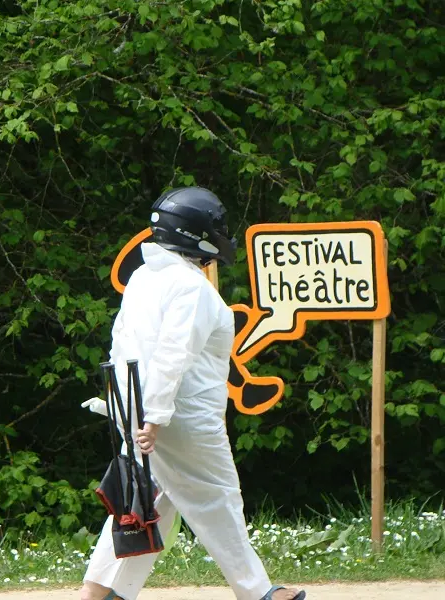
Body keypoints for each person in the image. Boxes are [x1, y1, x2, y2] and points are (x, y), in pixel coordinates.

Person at [79, 187, 306, 600]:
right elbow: (172, 355)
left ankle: (99, 594)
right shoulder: (192, 288)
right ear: (196, 234)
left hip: (140, 409)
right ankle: (259, 594)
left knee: (146, 506)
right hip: (179, 418)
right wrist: (156, 419)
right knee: (217, 500)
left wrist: (129, 411)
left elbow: (121, 344)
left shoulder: (144, 277)